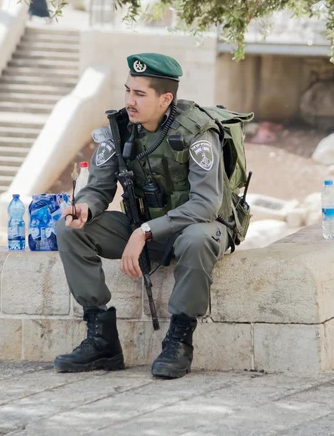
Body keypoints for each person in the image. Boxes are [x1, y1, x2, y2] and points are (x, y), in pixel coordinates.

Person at [55, 52, 233, 379]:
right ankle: (101, 339)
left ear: (165, 99)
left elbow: (205, 204)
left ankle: (179, 340)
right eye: (127, 91)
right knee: (69, 230)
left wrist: (145, 231)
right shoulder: (119, 131)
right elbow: (99, 188)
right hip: (143, 228)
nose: (130, 101)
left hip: (196, 230)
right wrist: (86, 208)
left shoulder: (196, 133)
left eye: (139, 94)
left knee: (197, 238)